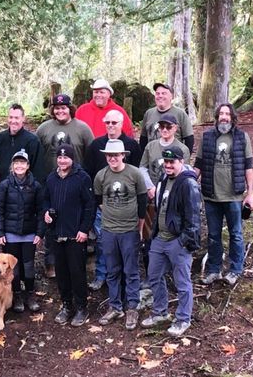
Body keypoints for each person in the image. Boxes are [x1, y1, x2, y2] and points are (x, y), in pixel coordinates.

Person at [141, 146, 201, 337]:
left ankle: (183, 319)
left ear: (181, 162)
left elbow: (194, 219)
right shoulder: (164, 179)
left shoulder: (188, 184)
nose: (168, 166)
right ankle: (160, 312)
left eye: (171, 162)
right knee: (154, 275)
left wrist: (182, 241)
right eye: (165, 162)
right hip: (160, 238)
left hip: (178, 241)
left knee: (182, 282)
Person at [194, 103, 253, 286]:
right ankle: (214, 269)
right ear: (216, 117)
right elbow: (198, 164)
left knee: (236, 234)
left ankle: (235, 270)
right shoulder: (206, 138)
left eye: (227, 114)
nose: (224, 117)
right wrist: (187, 182)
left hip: (234, 196)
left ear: (232, 117)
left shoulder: (242, 138)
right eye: (221, 113)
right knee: (213, 235)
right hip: (211, 196)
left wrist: (250, 193)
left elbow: (248, 167)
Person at [36, 94, 94, 278]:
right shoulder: (44, 129)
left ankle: (80, 261)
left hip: (76, 183)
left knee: (76, 221)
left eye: (64, 107)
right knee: (51, 220)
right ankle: (51, 263)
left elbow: (91, 154)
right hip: (50, 182)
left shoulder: (83, 128)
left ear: (70, 108)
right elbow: (37, 154)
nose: (60, 111)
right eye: (57, 108)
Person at [84, 109, 141, 291]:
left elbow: (138, 176)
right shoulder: (96, 145)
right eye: (107, 122)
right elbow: (90, 174)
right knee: (103, 243)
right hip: (103, 206)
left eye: (114, 123)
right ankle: (102, 275)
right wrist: (100, 204)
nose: (110, 126)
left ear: (122, 123)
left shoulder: (131, 145)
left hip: (127, 208)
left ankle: (126, 282)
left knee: (127, 247)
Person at [93, 139, 146, 330]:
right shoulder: (101, 176)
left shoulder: (134, 174)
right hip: (108, 230)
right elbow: (99, 199)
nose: (112, 158)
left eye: (116, 155)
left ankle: (132, 306)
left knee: (131, 270)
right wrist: (111, 214)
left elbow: (142, 203)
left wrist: (139, 229)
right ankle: (115, 306)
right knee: (112, 270)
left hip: (129, 230)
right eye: (109, 155)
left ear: (123, 155)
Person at [44, 144, 94, 327]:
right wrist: (46, 213)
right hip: (57, 233)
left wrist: (84, 229)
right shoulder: (51, 178)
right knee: (62, 273)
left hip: (75, 235)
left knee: (77, 272)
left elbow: (89, 206)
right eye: (59, 157)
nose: (62, 160)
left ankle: (82, 307)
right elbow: (46, 200)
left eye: (66, 157)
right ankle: (67, 305)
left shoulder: (82, 178)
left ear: (72, 159)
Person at [0, 150, 45, 313]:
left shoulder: (35, 185)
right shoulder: (4, 185)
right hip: (10, 234)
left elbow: (41, 211)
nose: (19, 166)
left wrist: (39, 233)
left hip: (29, 233)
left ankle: (30, 293)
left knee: (28, 265)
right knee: (12, 268)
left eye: (23, 163)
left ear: (28, 166)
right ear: (12, 166)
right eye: (17, 163)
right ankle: (16, 295)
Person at [139, 114, 190, 270]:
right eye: (162, 127)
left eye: (168, 127)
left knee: (172, 233)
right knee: (150, 235)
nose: (165, 130)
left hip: (172, 200)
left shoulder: (182, 149)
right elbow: (142, 168)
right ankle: (150, 272)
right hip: (152, 198)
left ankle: (173, 270)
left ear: (175, 128)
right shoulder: (151, 146)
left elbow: (185, 172)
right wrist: (150, 187)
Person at [0, 103, 45, 186]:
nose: (13, 121)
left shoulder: (32, 141)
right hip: (3, 189)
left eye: (16, 118)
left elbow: (38, 170)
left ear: (23, 118)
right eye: (11, 117)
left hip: (25, 191)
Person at [140, 83, 194, 154]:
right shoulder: (149, 113)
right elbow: (143, 139)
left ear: (171, 96)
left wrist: (183, 158)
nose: (160, 96)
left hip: (173, 158)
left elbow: (189, 138)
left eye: (164, 93)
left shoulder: (180, 114)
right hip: (152, 158)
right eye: (157, 93)